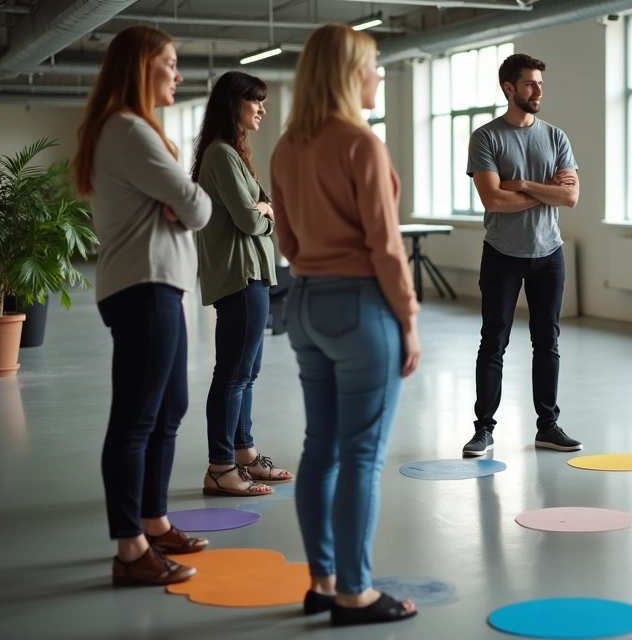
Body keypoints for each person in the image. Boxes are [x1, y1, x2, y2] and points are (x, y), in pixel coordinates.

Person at [270, 23, 420, 626]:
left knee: (320, 448)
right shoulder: (362, 144)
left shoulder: (285, 148)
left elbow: (284, 237)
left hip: (304, 304)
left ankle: (322, 582)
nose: (379, 75)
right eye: (373, 65)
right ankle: (356, 594)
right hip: (360, 309)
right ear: (347, 74)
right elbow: (386, 246)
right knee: (361, 455)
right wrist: (408, 319)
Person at [73, 25, 213, 586]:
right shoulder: (131, 130)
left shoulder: (130, 129)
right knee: (135, 420)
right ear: (141, 68)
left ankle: (153, 521)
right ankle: (130, 548)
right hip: (145, 288)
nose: (178, 75)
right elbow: (198, 207)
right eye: (170, 64)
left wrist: (181, 198)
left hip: (158, 286)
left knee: (169, 408)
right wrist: (183, 198)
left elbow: (185, 203)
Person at [461, 53, 582, 458]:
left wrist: (524, 185)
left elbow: (571, 196)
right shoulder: (486, 138)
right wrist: (543, 190)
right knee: (493, 341)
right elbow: (493, 199)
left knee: (547, 341)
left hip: (549, 253)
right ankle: (483, 429)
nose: (538, 91)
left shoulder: (555, 136)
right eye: (530, 84)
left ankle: (547, 427)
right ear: (509, 88)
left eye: (541, 84)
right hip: (502, 253)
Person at [192, 71, 292, 498]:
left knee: (245, 374)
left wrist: (265, 208)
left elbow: (265, 207)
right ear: (235, 105)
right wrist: (266, 211)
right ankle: (220, 467)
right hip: (240, 274)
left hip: (251, 273)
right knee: (232, 374)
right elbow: (252, 218)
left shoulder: (231, 154)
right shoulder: (220, 155)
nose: (263, 110)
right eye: (256, 102)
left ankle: (244, 455)